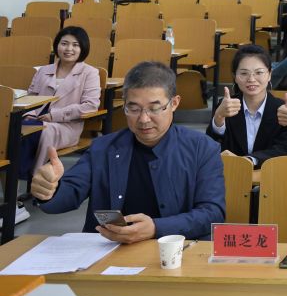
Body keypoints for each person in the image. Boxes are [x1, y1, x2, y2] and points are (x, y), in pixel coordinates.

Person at [32, 62, 225, 242]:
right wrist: (49, 189)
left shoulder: (202, 148)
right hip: (109, 250)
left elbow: (212, 212)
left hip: (175, 252)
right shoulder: (103, 148)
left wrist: (157, 228)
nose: (144, 119)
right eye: (133, 109)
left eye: (154, 109)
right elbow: (70, 193)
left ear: (174, 103)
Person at [23, 27, 101, 180]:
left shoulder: (90, 73)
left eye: (75, 45)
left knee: (41, 131)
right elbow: (30, 97)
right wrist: (29, 114)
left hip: (66, 126)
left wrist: (54, 116)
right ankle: (14, 178)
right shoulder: (43, 70)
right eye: (64, 43)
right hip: (35, 119)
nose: (69, 49)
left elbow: (90, 105)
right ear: (57, 45)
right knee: (15, 128)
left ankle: (29, 177)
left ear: (83, 48)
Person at [207, 45, 287, 167]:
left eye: (259, 72)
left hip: (269, 174)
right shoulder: (225, 106)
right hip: (232, 173)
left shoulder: (283, 109)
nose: (251, 79)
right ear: (235, 77)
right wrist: (219, 117)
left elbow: (283, 149)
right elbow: (211, 146)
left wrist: (249, 160)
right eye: (244, 73)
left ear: (269, 74)